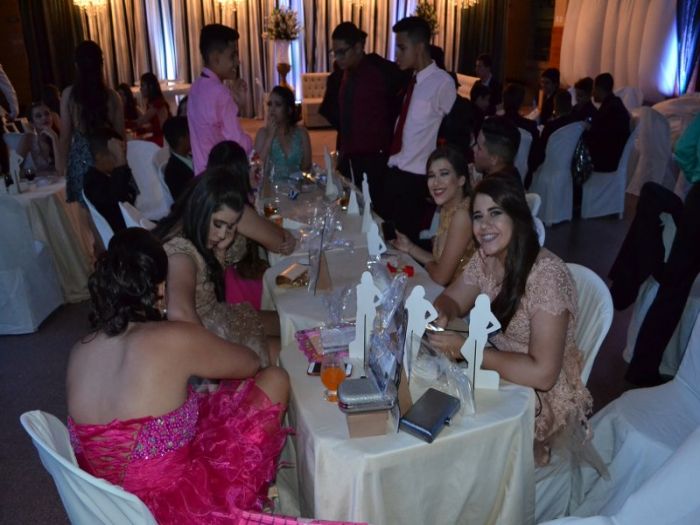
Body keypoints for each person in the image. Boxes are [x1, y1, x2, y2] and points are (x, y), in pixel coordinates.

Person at [66, 228, 290, 523]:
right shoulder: (174, 338)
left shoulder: (79, 350)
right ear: (160, 288)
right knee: (275, 379)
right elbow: (249, 363)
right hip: (173, 506)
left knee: (199, 402)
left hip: (100, 507)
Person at [428, 174, 593, 466]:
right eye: (478, 216)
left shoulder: (546, 276)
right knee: (437, 409)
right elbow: (453, 298)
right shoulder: (488, 258)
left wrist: (469, 349)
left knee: (456, 441)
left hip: (538, 398)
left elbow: (543, 374)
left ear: (517, 216)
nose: (484, 226)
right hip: (500, 371)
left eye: (495, 213)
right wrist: (444, 310)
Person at [154, 167, 285, 367]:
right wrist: (217, 358)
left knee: (290, 326)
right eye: (218, 224)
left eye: (230, 226)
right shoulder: (181, 254)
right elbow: (180, 313)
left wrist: (220, 253)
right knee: (291, 353)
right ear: (201, 210)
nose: (223, 234)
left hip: (221, 318)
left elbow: (209, 286)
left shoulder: (196, 234)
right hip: (210, 338)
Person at [319, 22, 405, 216]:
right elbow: (337, 113)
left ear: (358, 47)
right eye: (335, 52)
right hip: (348, 157)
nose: (338, 58)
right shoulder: (340, 75)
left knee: (372, 213)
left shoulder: (380, 71)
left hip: (374, 161)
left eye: (342, 52)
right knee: (347, 210)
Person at [385, 16, 457, 244]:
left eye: (402, 48)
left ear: (419, 47)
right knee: (388, 239)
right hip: (395, 170)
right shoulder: (411, 80)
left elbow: (453, 134)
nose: (397, 54)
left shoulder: (442, 83)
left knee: (407, 245)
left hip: (416, 178)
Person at [207, 140, 296, 310]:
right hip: (234, 290)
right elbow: (279, 243)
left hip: (229, 279)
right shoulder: (232, 208)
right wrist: (286, 234)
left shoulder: (212, 196)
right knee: (298, 285)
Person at [392, 146, 475, 286]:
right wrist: (410, 247)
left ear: (461, 180)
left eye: (444, 174)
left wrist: (427, 266)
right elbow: (441, 263)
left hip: (457, 295)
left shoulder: (462, 215)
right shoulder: (447, 208)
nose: (436, 182)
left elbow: (441, 277)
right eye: (431, 176)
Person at [59, 41, 124, 204]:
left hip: (81, 161)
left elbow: (65, 137)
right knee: (117, 209)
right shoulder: (113, 97)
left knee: (89, 214)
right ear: (101, 65)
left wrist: (61, 168)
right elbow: (121, 137)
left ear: (76, 66)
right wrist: (121, 165)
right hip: (108, 157)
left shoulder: (69, 95)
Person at [188, 24, 252, 175]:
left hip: (201, 176)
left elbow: (215, 129)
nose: (237, 61)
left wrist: (236, 106)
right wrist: (254, 140)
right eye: (232, 56)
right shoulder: (220, 93)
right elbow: (239, 145)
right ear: (215, 58)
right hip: (221, 178)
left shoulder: (196, 87)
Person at [82, 128, 139, 233]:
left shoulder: (110, 174)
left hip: (133, 225)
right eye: (116, 154)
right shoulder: (93, 182)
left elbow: (133, 193)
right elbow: (119, 202)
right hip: (124, 233)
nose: (123, 156)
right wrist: (120, 162)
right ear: (99, 157)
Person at [254, 85, 311, 182]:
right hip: (271, 189)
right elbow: (256, 170)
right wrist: (269, 138)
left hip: (296, 188)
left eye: (278, 105)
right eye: (270, 104)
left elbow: (307, 168)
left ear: (289, 109)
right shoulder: (262, 134)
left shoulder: (302, 134)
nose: (272, 109)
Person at [583, 73, 630, 172]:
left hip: (606, 161)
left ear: (599, 89)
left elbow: (598, 135)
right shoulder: (614, 104)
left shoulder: (609, 109)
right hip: (614, 157)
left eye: (593, 89)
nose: (592, 93)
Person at [530, 90, 578, 172]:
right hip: (570, 164)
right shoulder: (576, 124)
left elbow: (541, 150)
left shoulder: (551, 126)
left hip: (552, 164)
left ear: (555, 106)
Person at [473, 116, 524, 189]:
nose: (473, 149)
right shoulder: (510, 175)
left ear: (494, 159)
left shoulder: (494, 191)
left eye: (479, 148)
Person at [21, 102, 61, 174]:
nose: (44, 118)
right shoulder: (28, 138)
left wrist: (55, 138)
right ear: (32, 123)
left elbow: (61, 170)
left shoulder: (58, 137)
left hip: (59, 179)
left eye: (47, 114)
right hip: (36, 180)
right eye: (38, 116)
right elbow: (14, 168)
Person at [134, 72, 171, 146]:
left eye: (142, 85)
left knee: (136, 143)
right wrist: (143, 130)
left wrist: (125, 124)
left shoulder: (158, 103)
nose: (140, 89)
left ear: (150, 87)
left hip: (163, 139)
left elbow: (142, 120)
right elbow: (155, 126)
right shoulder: (153, 103)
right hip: (158, 137)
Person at [162, 116, 194, 200]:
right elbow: (185, 200)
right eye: (191, 133)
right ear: (182, 139)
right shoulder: (173, 172)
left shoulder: (191, 157)